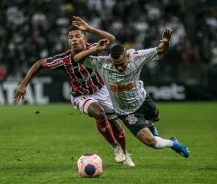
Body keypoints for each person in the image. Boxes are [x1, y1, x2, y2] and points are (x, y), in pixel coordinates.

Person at [14, 16, 135, 166]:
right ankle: (115, 146)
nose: (74, 39)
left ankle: (124, 153)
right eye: (71, 37)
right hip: (81, 95)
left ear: (85, 39)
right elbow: (40, 63)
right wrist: (23, 83)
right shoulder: (64, 59)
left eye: (78, 36)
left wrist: (90, 28)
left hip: (102, 90)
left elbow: (111, 38)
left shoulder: (95, 48)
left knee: (115, 124)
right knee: (98, 113)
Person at [73, 27, 190, 158]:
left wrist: (166, 41)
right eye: (115, 64)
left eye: (121, 64)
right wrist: (95, 49)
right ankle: (173, 143)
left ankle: (151, 127)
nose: (119, 67)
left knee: (156, 118)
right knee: (150, 141)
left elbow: (161, 49)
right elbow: (77, 58)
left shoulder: (136, 57)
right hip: (126, 111)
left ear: (127, 56)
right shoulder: (103, 64)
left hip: (143, 99)